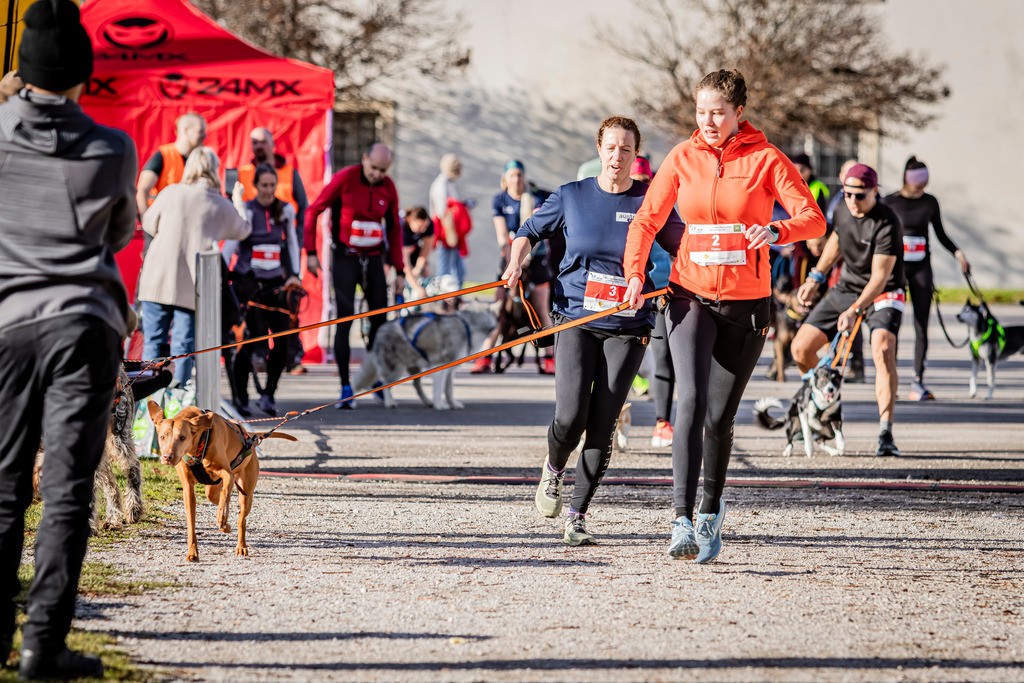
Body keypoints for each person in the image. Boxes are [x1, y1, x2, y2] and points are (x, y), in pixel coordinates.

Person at [623, 69, 826, 563]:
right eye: (701, 112)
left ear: (738, 112)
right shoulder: (682, 157)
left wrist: (777, 231)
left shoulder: (766, 158)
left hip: (746, 304)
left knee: (719, 416)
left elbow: (812, 217)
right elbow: (648, 218)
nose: (708, 121)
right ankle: (680, 519)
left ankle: (711, 510)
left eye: (717, 112)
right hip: (689, 294)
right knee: (688, 402)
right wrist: (634, 274)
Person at [0, 1, 135, 677]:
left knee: (2, 484)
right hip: (84, 323)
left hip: (5, 324)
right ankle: (42, 643)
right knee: (67, 487)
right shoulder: (112, 148)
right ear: (83, 73)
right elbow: (117, 235)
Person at [507, 116, 684, 546]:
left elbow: (683, 248)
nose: (618, 157)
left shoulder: (650, 199)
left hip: (629, 325)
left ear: (636, 156)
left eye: (627, 149)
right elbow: (527, 232)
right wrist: (516, 262)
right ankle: (553, 469)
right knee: (570, 418)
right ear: (599, 150)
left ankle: (578, 515)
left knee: (603, 424)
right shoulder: (571, 196)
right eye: (611, 147)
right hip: (577, 319)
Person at [791, 163, 906, 457]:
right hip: (847, 287)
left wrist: (855, 309)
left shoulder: (887, 222)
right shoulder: (842, 208)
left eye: (860, 196)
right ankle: (825, 405)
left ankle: (885, 433)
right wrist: (816, 277)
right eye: (848, 194)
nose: (853, 201)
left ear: (874, 192)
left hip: (884, 292)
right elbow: (837, 240)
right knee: (800, 349)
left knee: (882, 349)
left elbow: (880, 278)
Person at [138, 147, 251, 386]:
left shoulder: (170, 193)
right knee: (183, 347)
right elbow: (243, 230)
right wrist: (238, 199)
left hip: (156, 278)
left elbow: (148, 223)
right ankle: (179, 404)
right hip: (192, 286)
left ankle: (145, 404)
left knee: (153, 342)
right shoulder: (219, 203)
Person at [304, 143, 405, 408]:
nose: (376, 174)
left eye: (382, 170)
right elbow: (313, 210)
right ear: (364, 159)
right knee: (345, 318)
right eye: (373, 168)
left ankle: (373, 378)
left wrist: (400, 269)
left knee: (380, 321)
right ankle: (346, 386)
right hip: (345, 257)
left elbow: (394, 229)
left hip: (373, 259)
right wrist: (311, 252)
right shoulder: (345, 179)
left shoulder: (388, 187)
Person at [884, 156, 970, 400]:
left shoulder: (930, 202)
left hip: (921, 268)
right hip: (897, 268)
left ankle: (918, 381)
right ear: (907, 180)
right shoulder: (890, 201)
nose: (921, 188)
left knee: (922, 325)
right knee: (893, 325)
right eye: (917, 183)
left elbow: (940, 233)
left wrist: (957, 252)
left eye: (925, 183)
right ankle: (891, 381)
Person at [228, 126, 311, 375]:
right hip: (250, 256)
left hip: (281, 252)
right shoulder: (239, 173)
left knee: (287, 308)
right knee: (253, 311)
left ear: (273, 144)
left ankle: (291, 356)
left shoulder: (289, 172)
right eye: (253, 142)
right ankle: (257, 355)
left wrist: (296, 260)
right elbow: (228, 214)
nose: (258, 147)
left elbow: (303, 208)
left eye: (262, 142)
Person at [224, 163, 301, 417]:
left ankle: (268, 394)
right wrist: (222, 274)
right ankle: (242, 398)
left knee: (281, 341)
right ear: (255, 186)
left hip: (277, 287)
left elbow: (291, 243)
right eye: (264, 185)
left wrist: (295, 275)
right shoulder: (245, 209)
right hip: (249, 287)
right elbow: (231, 244)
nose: (268, 190)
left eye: (272, 185)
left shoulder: (285, 210)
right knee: (247, 344)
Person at [475, 160, 555, 374]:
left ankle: (550, 357)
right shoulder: (500, 200)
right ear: (505, 178)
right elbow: (502, 236)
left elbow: (539, 231)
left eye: (520, 175)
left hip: (535, 257)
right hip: (510, 257)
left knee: (541, 307)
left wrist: (525, 259)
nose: (517, 179)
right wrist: (513, 262)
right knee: (499, 307)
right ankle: (484, 356)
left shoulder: (536, 197)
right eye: (512, 175)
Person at [628, 157, 676, 448]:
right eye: (638, 180)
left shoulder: (664, 205)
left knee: (662, 357)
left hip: (658, 291)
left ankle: (662, 422)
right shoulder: (619, 204)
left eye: (646, 181)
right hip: (623, 294)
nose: (642, 186)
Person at [135, 111, 207, 218]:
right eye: (200, 131)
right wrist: (147, 221)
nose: (204, 135)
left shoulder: (201, 158)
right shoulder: (163, 155)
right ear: (186, 131)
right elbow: (142, 190)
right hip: (163, 223)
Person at [430, 153, 466, 287]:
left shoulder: (447, 183)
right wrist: (450, 234)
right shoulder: (441, 185)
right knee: (444, 269)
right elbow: (442, 212)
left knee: (458, 269)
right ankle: (443, 299)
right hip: (446, 233)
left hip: (452, 232)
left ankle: (455, 297)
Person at [402, 206, 434, 299]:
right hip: (394, 251)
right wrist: (416, 287)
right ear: (409, 220)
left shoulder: (429, 224)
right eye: (420, 226)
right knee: (400, 276)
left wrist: (418, 268)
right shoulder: (402, 227)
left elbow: (427, 247)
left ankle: (426, 301)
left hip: (412, 248)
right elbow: (405, 264)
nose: (423, 230)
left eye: (425, 226)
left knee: (425, 269)